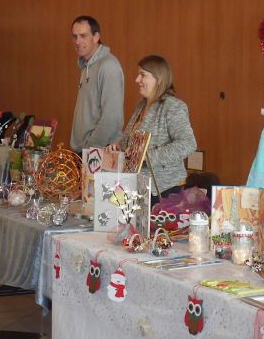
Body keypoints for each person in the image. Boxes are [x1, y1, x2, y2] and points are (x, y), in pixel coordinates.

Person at [113, 55, 196, 204]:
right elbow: (129, 144)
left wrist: (147, 156)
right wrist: (118, 147)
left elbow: (188, 144)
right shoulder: (141, 106)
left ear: (159, 79)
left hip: (165, 192)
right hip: (138, 188)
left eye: (143, 75)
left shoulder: (173, 107)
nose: (137, 80)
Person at [69, 15, 125, 152]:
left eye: (83, 36)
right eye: (75, 36)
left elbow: (111, 116)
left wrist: (90, 147)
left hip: (99, 152)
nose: (78, 41)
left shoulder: (108, 66)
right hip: (86, 150)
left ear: (96, 37)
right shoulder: (86, 66)